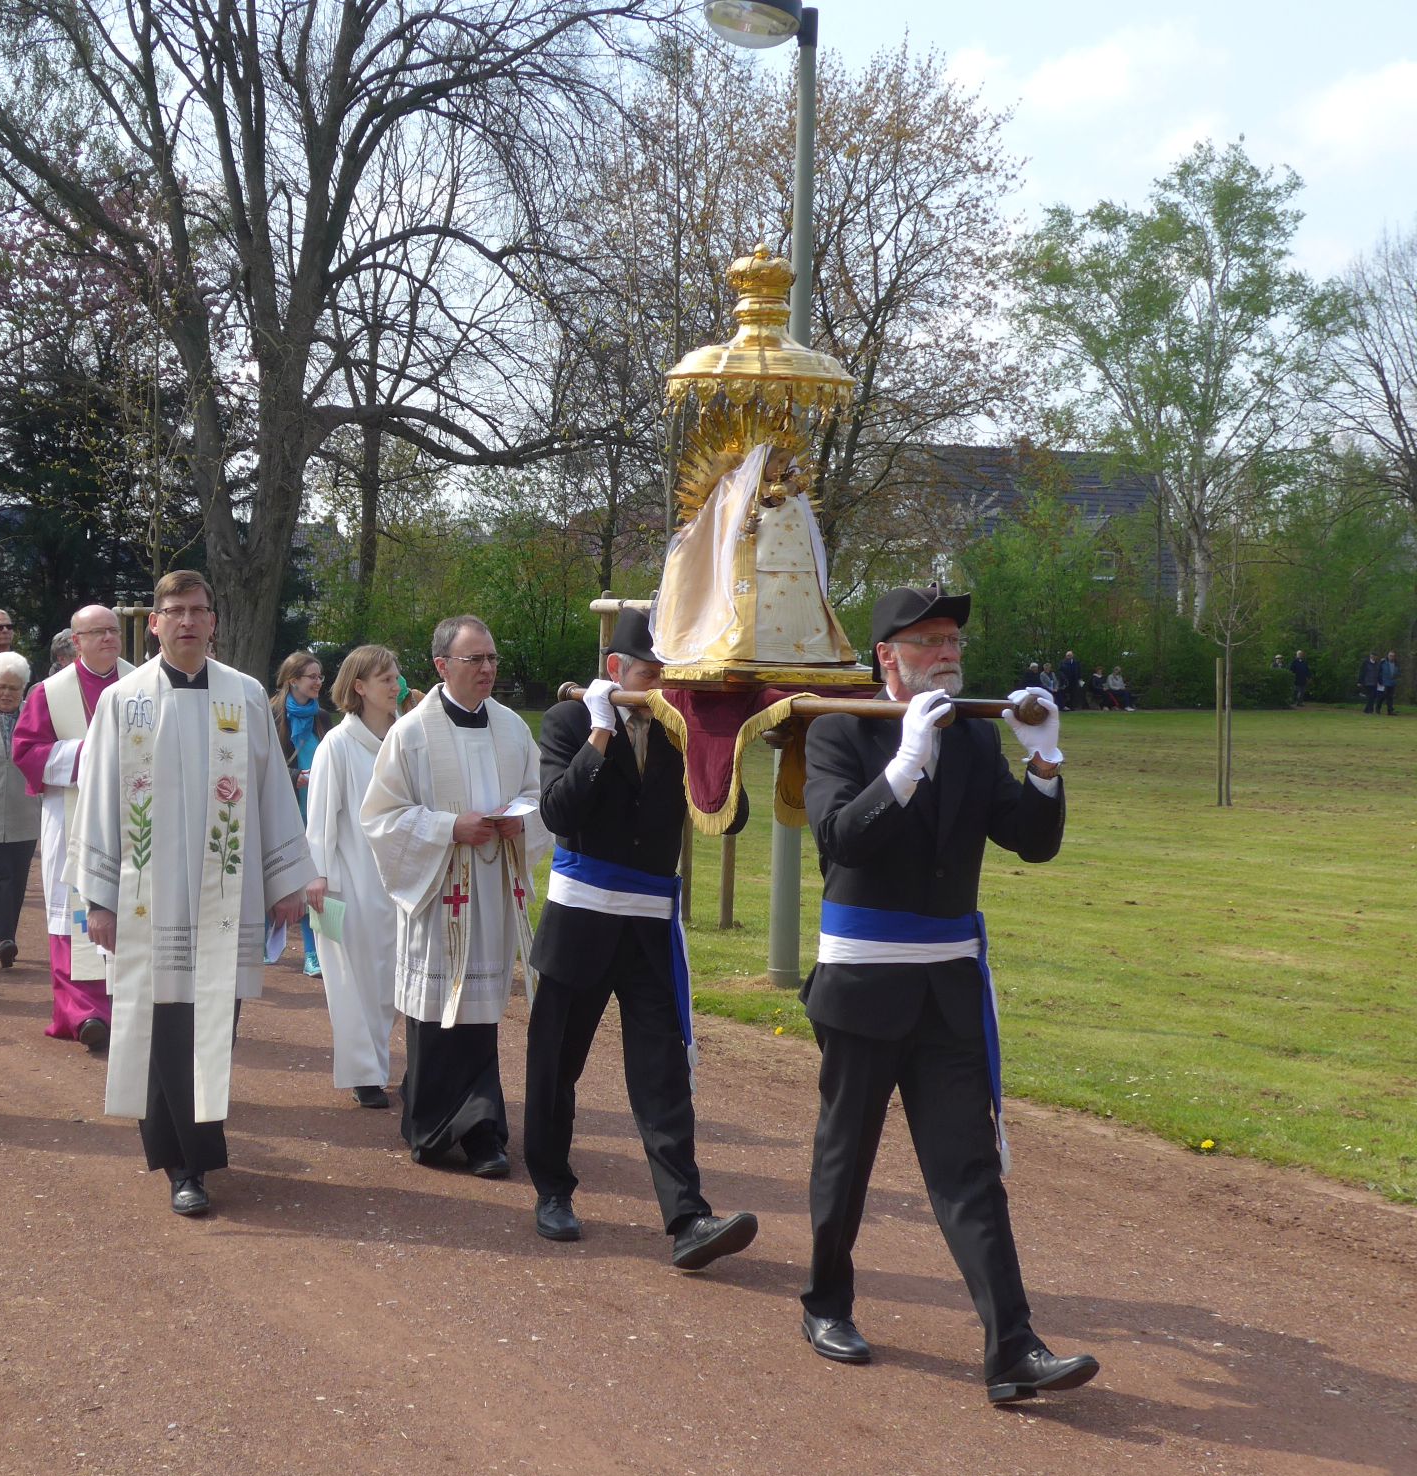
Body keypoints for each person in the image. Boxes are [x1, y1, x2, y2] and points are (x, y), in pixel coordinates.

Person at [797, 583, 1098, 1405]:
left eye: (954, 640)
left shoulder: (971, 737)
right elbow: (840, 839)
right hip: (863, 982)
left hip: (947, 988)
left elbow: (1031, 842)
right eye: (929, 641)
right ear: (887, 657)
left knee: (969, 1170)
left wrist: (1043, 764)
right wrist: (904, 766)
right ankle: (825, 1303)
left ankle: (1013, 1349)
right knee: (846, 1155)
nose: (948, 653)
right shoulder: (840, 729)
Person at [527, 608, 759, 1269]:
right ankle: (552, 1190)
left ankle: (687, 1217)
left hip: (650, 927)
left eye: (670, 677)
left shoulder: (678, 730)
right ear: (615, 670)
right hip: (580, 920)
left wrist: (720, 745)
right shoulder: (569, 721)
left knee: (662, 1074)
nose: (661, 688)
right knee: (555, 1066)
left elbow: (729, 818)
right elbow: (558, 811)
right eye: (651, 675)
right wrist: (601, 732)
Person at [76, 571, 313, 1215]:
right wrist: (99, 899)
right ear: (154, 622)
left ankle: (198, 1150)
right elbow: (98, 798)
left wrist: (285, 880)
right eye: (174, 610)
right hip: (148, 900)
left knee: (213, 1024)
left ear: (213, 621)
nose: (186, 621)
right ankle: (183, 1164)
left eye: (198, 610)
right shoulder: (123, 701)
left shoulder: (244, 695)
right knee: (161, 1029)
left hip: (222, 899)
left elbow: (270, 790)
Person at [359, 615, 548, 1178]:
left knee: (481, 1017)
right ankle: (433, 1127)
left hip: (490, 890)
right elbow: (381, 817)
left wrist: (522, 822)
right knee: (438, 1013)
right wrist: (448, 828)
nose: (487, 669)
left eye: (491, 658)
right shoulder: (411, 733)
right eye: (475, 659)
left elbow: (539, 795)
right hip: (440, 893)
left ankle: (484, 1132)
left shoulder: (512, 728)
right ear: (442, 665)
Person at [13, 605, 131, 1047]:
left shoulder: (143, 683)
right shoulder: (49, 692)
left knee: (131, 906)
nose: (109, 638)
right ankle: (84, 1014)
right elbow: (27, 752)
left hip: (133, 818)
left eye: (113, 630)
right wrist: (91, 754)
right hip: (71, 815)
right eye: (97, 632)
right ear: (76, 642)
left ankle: (129, 1008)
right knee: (73, 912)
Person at [302, 645, 401, 1108]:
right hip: (344, 881)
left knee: (391, 978)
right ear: (359, 687)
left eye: (396, 676)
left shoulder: (404, 739)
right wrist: (318, 876)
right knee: (352, 979)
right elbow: (320, 816)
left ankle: (379, 1062)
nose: (395, 685)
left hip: (398, 879)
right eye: (385, 678)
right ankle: (365, 1074)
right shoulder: (337, 746)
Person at [271, 651, 332, 978]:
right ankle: (267, 938)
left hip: (316, 804)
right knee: (278, 875)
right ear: (293, 679)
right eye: (312, 676)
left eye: (320, 676)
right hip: (285, 804)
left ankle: (312, 952)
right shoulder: (272, 714)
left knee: (312, 875)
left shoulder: (322, 717)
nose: (318, 682)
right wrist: (296, 777)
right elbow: (263, 762)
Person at [0, 652, 40, 970]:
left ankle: (3, 939)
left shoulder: (36, 716)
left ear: (23, 688)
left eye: (13, 688)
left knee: (16, 880)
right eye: (0, 686)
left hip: (24, 811)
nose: (6, 693)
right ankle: (2, 939)